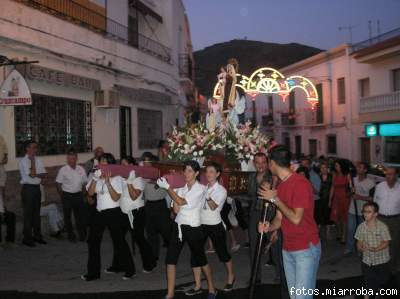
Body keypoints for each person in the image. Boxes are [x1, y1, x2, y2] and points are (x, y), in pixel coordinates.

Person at [258, 145, 320, 299]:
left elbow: (296, 218)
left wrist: (275, 199)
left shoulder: (300, 183)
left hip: (305, 248)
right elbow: (280, 218)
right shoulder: (281, 185)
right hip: (288, 248)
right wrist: (269, 227)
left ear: (272, 163)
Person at [156, 160, 217, 299]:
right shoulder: (181, 188)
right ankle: (170, 293)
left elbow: (181, 202)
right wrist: (172, 194)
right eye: (185, 170)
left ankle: (212, 288)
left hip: (193, 227)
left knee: (200, 260)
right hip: (178, 227)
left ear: (196, 173)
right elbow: (176, 209)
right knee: (170, 259)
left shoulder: (200, 188)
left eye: (190, 171)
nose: (186, 173)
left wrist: (168, 188)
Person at [82, 153, 135, 281]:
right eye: (101, 161)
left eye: (105, 161)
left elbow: (116, 197)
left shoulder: (117, 178)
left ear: (110, 164)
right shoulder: (96, 176)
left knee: (119, 241)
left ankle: (129, 269)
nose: (102, 164)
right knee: (93, 241)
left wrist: (108, 182)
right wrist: (95, 179)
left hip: (113, 212)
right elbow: (89, 193)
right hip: (99, 212)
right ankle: (93, 273)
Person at [186, 163, 235, 296]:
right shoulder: (203, 187)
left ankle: (231, 276)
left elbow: (213, 206)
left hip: (215, 224)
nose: (208, 174)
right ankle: (197, 285)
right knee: (195, 253)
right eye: (207, 172)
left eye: (212, 172)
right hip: (201, 224)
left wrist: (206, 195)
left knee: (222, 253)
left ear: (218, 174)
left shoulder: (221, 190)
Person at [113, 156, 156, 274]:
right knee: (118, 239)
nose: (123, 167)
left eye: (126, 164)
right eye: (121, 164)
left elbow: (134, 196)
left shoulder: (138, 179)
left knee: (139, 238)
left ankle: (149, 263)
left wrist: (129, 182)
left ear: (132, 166)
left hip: (135, 212)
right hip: (123, 212)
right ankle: (119, 265)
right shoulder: (120, 178)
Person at [355, 202, 391, 299]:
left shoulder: (382, 227)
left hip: (382, 261)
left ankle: (378, 290)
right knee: (368, 283)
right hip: (367, 261)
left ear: (375, 214)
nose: (365, 214)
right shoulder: (361, 227)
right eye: (364, 211)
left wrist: (376, 249)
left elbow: (386, 242)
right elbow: (359, 241)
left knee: (383, 281)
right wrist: (360, 247)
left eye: (369, 212)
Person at [247, 152, 272, 283]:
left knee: (275, 245)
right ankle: (256, 277)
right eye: (258, 162)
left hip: (270, 213)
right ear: (254, 163)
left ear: (267, 163)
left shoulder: (273, 177)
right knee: (254, 246)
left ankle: (282, 276)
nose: (260, 165)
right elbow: (249, 196)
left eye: (263, 162)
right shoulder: (251, 177)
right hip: (255, 213)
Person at [18, 140, 47, 247]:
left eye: (36, 147)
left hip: (36, 188)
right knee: (28, 215)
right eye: (34, 147)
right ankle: (27, 238)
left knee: (36, 214)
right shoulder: (23, 161)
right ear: (27, 148)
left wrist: (38, 174)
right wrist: (33, 164)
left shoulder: (39, 160)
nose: (36, 149)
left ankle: (38, 236)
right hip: (28, 189)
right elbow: (32, 175)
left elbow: (44, 174)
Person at [56, 151, 88, 242]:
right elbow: (58, 183)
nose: (71, 161)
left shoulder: (81, 169)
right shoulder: (63, 169)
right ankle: (71, 235)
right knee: (68, 217)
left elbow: (85, 182)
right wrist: (62, 195)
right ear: (67, 159)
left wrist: (84, 193)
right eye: (69, 159)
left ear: (76, 159)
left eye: (73, 158)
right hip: (67, 195)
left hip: (78, 195)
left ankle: (82, 235)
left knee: (80, 216)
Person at [345, 162, 375, 256]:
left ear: (365, 170)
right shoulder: (353, 180)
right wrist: (351, 192)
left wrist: (359, 197)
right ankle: (349, 248)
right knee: (350, 230)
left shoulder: (371, 182)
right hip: (352, 210)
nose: (358, 169)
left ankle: (361, 249)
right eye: (357, 167)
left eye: (360, 167)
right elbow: (347, 194)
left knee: (362, 231)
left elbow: (372, 198)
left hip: (364, 212)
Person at [373, 167, 400, 274]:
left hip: (395, 220)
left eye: (391, 174)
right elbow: (375, 202)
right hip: (380, 218)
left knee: (394, 245)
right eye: (387, 174)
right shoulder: (379, 186)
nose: (388, 176)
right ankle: (380, 268)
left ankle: (393, 268)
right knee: (380, 243)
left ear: (396, 176)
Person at [144, 175, 172, 263]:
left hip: (160, 204)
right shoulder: (144, 176)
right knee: (151, 231)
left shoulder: (163, 176)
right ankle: (154, 255)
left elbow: (164, 187)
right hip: (149, 205)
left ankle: (172, 250)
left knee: (165, 230)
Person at [329, 159, 352, 243]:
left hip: (345, 198)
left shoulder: (347, 175)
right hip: (336, 198)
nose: (336, 167)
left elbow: (351, 187)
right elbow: (332, 187)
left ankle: (343, 236)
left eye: (337, 166)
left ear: (342, 166)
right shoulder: (334, 175)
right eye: (335, 166)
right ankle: (339, 232)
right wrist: (330, 200)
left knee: (344, 218)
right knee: (336, 217)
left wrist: (350, 194)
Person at [319, 162, 333, 239]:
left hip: (328, 198)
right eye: (322, 168)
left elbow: (332, 188)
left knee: (328, 215)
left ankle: (328, 233)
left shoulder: (331, 177)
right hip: (319, 198)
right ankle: (318, 232)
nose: (324, 169)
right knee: (319, 215)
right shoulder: (318, 176)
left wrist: (330, 200)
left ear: (327, 168)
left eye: (325, 167)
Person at [0, 134, 8, 209]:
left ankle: (3, 209)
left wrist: (5, 157)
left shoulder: (0, 137)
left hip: (1, 167)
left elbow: (5, 150)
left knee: (2, 188)